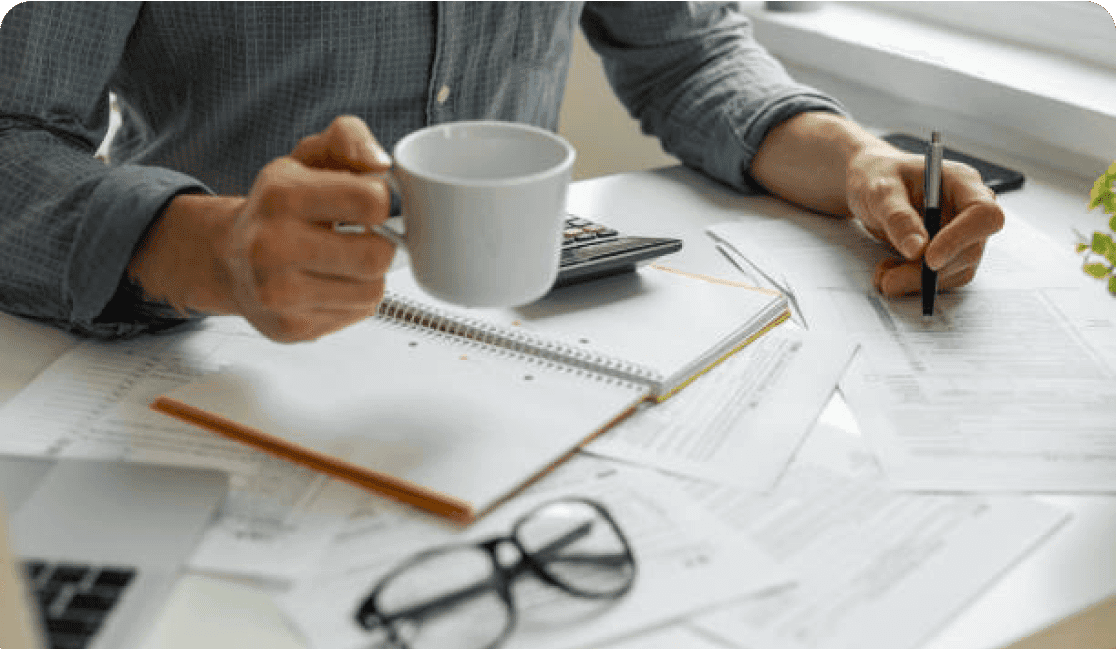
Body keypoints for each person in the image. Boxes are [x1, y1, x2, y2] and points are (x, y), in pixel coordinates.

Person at [0, 1, 1003, 343]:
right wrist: (214, 250)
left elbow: (688, 53)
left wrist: (860, 160)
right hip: (196, 353)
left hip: (522, 359)